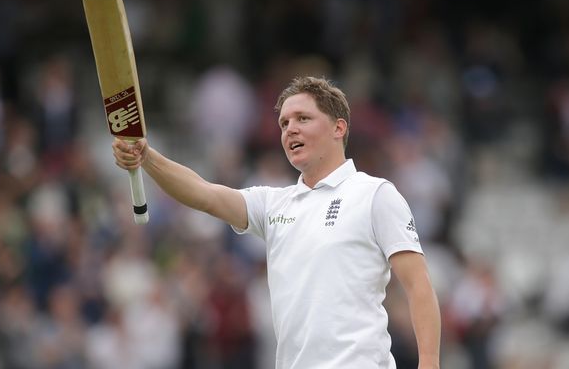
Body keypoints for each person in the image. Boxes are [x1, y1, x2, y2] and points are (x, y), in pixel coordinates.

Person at [113, 76, 441, 368]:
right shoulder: (273, 204)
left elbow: (418, 286)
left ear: (338, 128)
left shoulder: (375, 195)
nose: (290, 129)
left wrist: (429, 364)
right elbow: (204, 194)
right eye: (284, 123)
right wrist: (147, 157)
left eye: (303, 118)